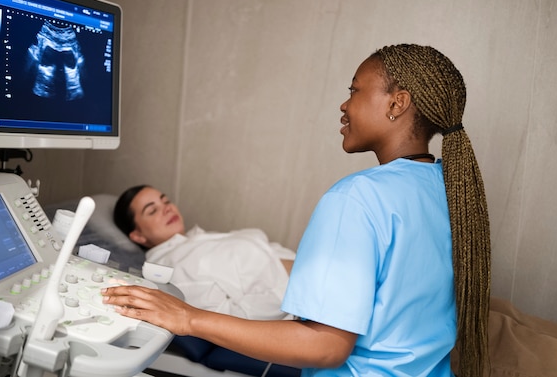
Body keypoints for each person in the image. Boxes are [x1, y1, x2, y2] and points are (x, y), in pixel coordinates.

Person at [102, 44, 491, 377]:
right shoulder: (451, 191)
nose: (344, 103)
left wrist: (187, 318)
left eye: (354, 90)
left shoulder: (357, 198)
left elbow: (326, 346)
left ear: (397, 102)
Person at [112, 185, 296, 320]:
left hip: (309, 279)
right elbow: (235, 318)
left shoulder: (195, 240)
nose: (167, 208)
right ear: (138, 236)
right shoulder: (172, 267)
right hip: (302, 305)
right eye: (152, 210)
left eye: (166, 201)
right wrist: (297, 289)